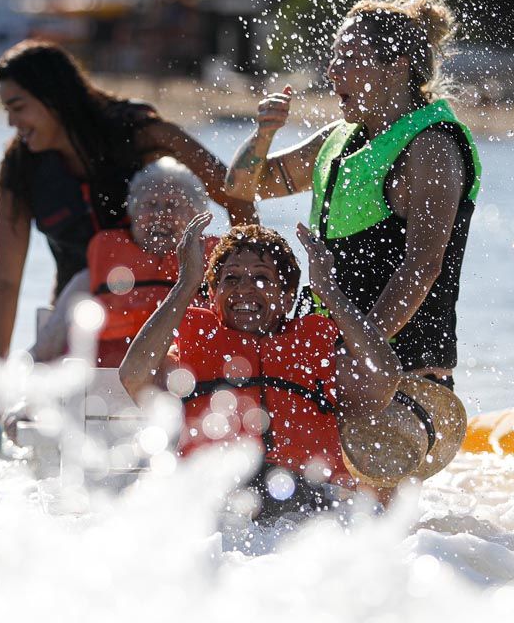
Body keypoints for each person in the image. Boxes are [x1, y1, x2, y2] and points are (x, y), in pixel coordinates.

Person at [224, 0, 482, 389]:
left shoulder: (432, 146)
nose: (331, 70)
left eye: (348, 57)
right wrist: (263, 135)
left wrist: (354, 354)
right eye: (332, 56)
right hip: (333, 368)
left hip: (401, 378)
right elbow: (240, 186)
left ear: (396, 67)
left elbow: (423, 267)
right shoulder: (338, 141)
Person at [119, 217, 403, 519]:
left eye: (262, 278)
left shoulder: (317, 358)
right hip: (216, 505)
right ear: (213, 296)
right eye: (230, 279)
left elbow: (385, 377)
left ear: (287, 297)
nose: (244, 288)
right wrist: (186, 284)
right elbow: (133, 375)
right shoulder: (185, 363)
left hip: (307, 507)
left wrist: (329, 291)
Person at [0, 40, 256, 359]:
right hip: (78, 319)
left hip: (166, 317)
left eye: (18, 108)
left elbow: (235, 194)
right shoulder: (19, 168)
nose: (11, 123)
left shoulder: (139, 133)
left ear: (54, 97)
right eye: (7, 111)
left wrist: (244, 277)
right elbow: (5, 279)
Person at [32, 157, 219, 367]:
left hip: (183, 383)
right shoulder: (94, 274)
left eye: (173, 205)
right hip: (102, 386)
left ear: (197, 216)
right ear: (133, 213)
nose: (160, 214)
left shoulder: (217, 274)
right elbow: (46, 347)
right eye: (150, 204)